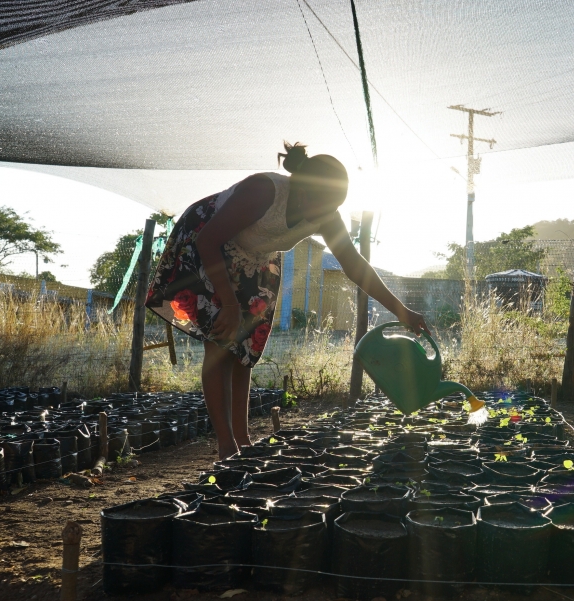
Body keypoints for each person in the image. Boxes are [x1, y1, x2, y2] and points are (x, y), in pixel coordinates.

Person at [146, 142, 429, 459]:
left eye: (328, 208)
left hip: (257, 258)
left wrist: (402, 311)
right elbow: (208, 240)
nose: (321, 215)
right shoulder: (264, 191)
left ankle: (244, 442)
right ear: (302, 186)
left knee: (245, 350)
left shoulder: (325, 213)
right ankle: (227, 449)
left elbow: (354, 265)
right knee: (222, 343)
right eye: (318, 204)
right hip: (208, 244)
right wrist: (227, 302)